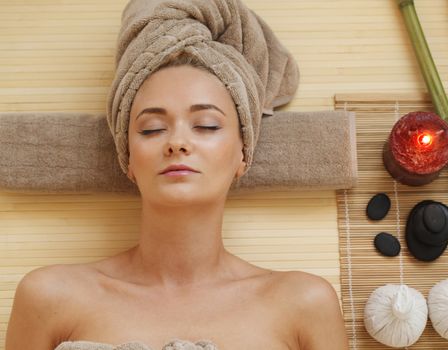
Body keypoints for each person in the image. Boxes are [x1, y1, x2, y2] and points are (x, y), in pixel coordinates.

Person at [5, 1, 348, 349]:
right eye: (152, 129)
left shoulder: (304, 304)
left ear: (243, 154)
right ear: (128, 161)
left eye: (206, 125)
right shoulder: (48, 298)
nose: (178, 142)